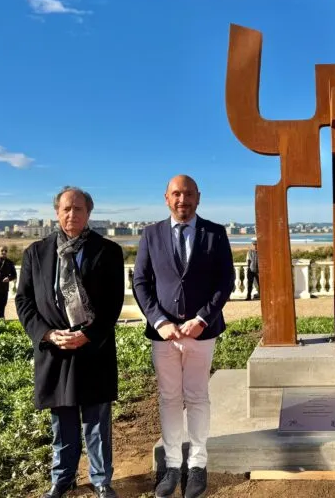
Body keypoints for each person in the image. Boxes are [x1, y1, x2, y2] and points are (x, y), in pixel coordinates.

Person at [15, 187, 124, 498]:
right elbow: (24, 302)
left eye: (78, 209)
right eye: (66, 209)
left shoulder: (107, 251)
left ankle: (102, 480)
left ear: (88, 213)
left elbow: (113, 303)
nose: (72, 214)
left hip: (93, 347)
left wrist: (88, 334)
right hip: (55, 350)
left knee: (96, 421)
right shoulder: (36, 253)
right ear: (56, 212)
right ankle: (62, 479)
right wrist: (48, 335)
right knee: (61, 422)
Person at [132, 174, 235, 498]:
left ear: (198, 198)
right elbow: (141, 282)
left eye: (188, 194)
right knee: (169, 398)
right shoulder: (150, 234)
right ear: (166, 198)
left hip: (201, 334)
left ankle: (198, 465)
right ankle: (172, 465)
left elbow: (225, 281)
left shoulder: (215, 234)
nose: (182, 199)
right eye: (176, 194)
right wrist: (159, 320)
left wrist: (203, 318)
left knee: (197, 397)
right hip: (163, 334)